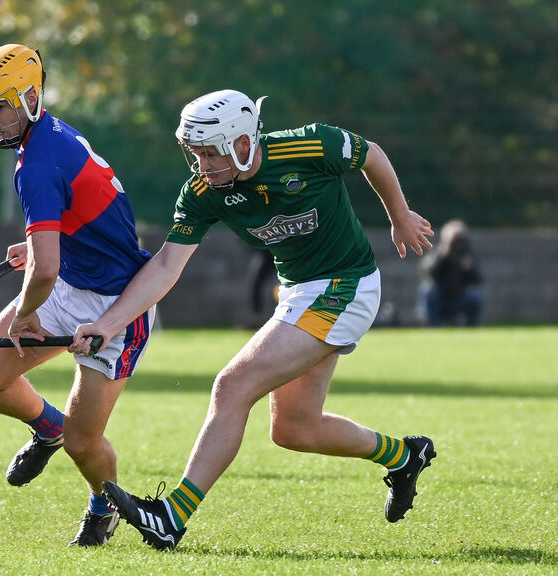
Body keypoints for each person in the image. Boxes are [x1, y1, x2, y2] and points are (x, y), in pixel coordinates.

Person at [72, 89, 437, 550]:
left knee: (232, 385)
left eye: (210, 153)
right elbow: (166, 266)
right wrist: (108, 323)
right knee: (294, 429)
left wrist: (399, 216)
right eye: (195, 154)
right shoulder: (204, 192)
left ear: (244, 142)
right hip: (299, 292)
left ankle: (171, 516)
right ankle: (404, 456)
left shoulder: (309, 146)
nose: (202, 165)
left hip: (346, 285)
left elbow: (371, 154)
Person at [0, 44, 154, 547]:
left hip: (117, 304)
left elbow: (44, 269)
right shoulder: (48, 135)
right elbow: (64, 237)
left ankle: (100, 505)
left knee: (86, 444)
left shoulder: (37, 162)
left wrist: (24, 315)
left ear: (29, 97)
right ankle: (49, 428)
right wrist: (44, 244)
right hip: (68, 283)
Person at [418, 219, 483, 326]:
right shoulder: (438, 254)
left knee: (475, 297)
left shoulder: (467, 256)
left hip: (459, 298)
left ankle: (471, 330)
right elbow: (428, 272)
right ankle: (432, 328)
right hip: (439, 298)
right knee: (428, 291)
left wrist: (468, 266)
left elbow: (477, 279)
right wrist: (444, 254)